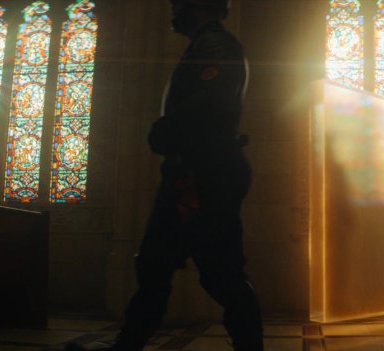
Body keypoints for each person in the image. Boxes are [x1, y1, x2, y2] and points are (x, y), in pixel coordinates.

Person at [66, 0, 263, 350]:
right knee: (156, 266)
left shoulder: (216, 45)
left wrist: (167, 129)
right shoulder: (204, 45)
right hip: (194, 170)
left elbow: (208, 103)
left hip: (204, 173)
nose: (173, 14)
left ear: (199, 6)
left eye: (178, 6)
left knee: (220, 274)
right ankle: (127, 345)